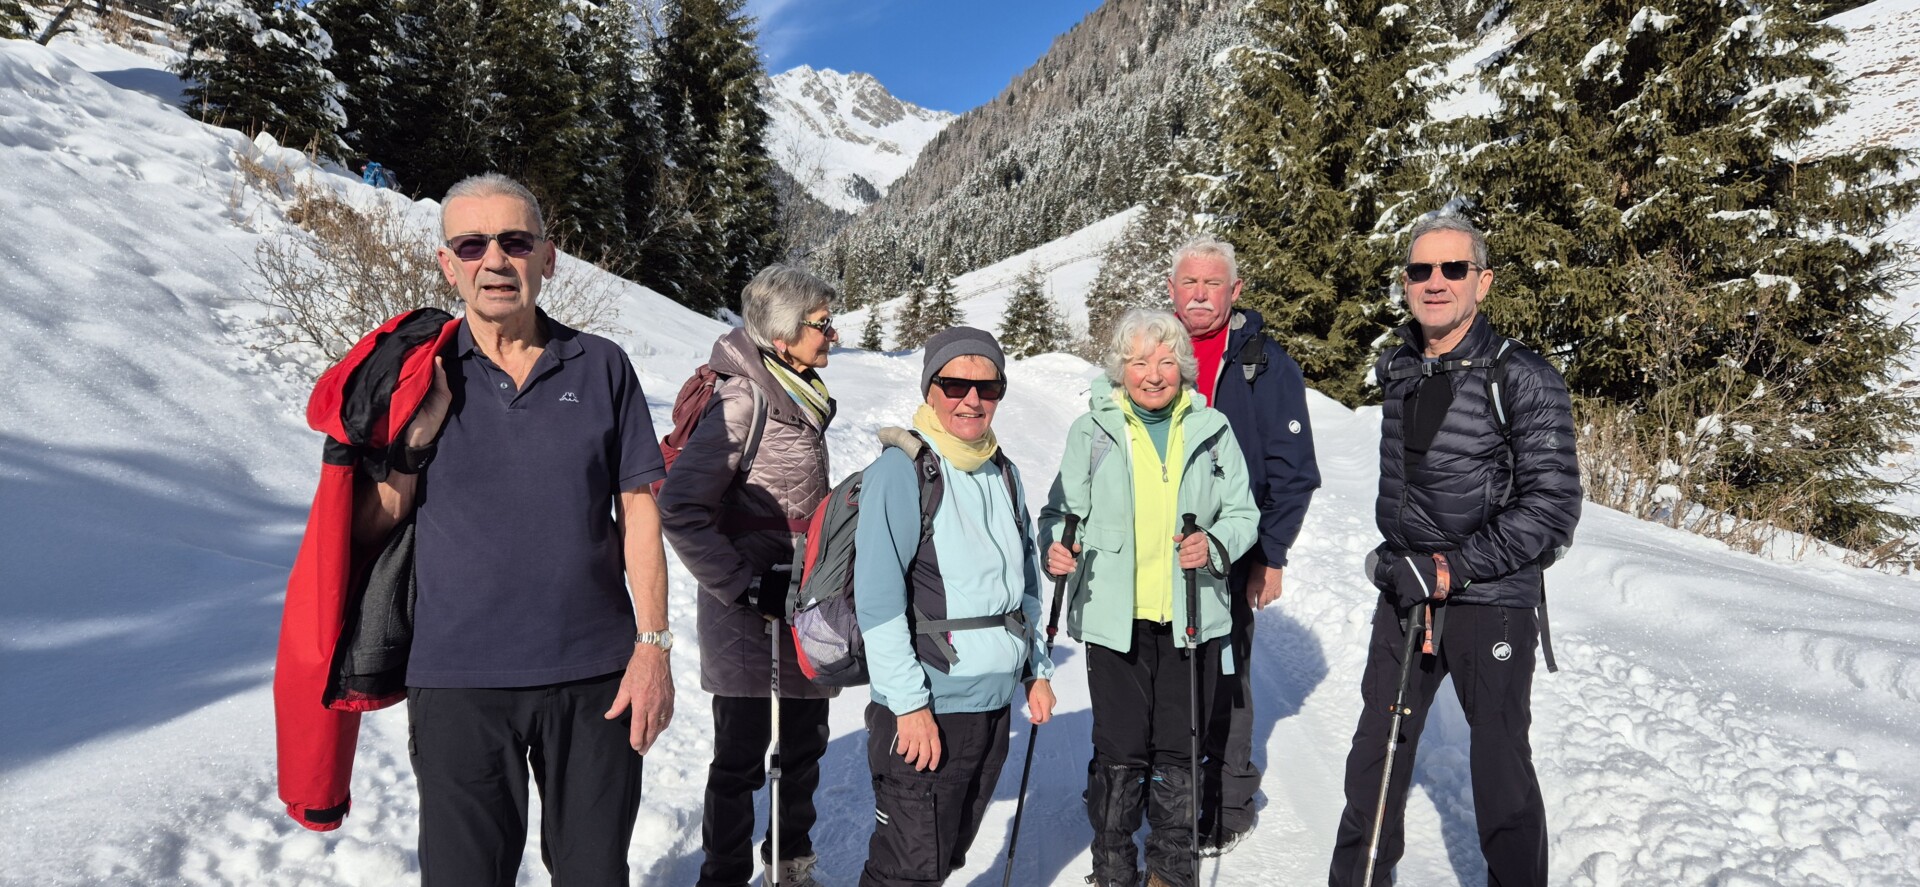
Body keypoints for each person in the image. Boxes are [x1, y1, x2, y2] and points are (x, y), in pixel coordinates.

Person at [351, 173, 674, 887]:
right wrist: (415, 441)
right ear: (448, 265)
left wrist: (653, 648)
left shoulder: (602, 365)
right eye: (472, 244)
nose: (494, 260)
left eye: (515, 241)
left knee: (595, 875)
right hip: (458, 681)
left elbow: (639, 512)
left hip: (596, 677)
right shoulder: (418, 372)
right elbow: (369, 525)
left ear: (547, 258)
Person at [1326, 214, 1580, 887]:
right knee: (1376, 759)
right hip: (1406, 592)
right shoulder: (1402, 366)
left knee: (1500, 771)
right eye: (1421, 270)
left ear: (1482, 282)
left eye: (1453, 268)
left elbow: (1553, 507)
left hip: (1490, 599)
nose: (1434, 282)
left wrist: (1451, 567)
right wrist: (1400, 560)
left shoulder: (1523, 376)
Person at [1040, 309, 1261, 887]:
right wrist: (1056, 547)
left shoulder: (1213, 430)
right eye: (1139, 362)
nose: (1154, 374)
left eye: (1165, 361)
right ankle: (1113, 868)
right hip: (1116, 619)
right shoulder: (1092, 431)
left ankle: (1171, 870)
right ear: (1121, 369)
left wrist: (1214, 543)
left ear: (1182, 366)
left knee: (1179, 749)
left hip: (1192, 614)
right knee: (1119, 749)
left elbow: (1243, 514)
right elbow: (1060, 513)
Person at [658, 265, 841, 887]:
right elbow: (680, 508)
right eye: (822, 323)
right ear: (784, 336)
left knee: (804, 746)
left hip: (801, 602)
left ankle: (789, 867)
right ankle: (725, 875)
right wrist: (743, 584)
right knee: (740, 755)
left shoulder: (799, 392)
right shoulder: (745, 399)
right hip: (746, 610)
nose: (833, 334)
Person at [853, 327, 1057, 887]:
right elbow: (878, 603)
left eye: (987, 387)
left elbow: (1025, 585)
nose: (971, 399)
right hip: (929, 705)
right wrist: (909, 706)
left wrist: (1036, 670)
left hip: (991, 708)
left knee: (944, 857)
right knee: (906, 871)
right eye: (954, 384)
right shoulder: (901, 472)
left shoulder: (1003, 472)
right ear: (930, 388)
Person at [1166, 237, 1321, 855]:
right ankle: (1161, 789)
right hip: (1159, 554)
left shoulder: (1263, 363)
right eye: (1189, 283)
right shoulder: (1155, 351)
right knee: (1161, 675)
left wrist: (1270, 555)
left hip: (1231, 553)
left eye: (1213, 284)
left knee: (1224, 677)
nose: (1200, 295)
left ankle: (1226, 802)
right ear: (1172, 291)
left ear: (1235, 291)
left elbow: (1293, 470)